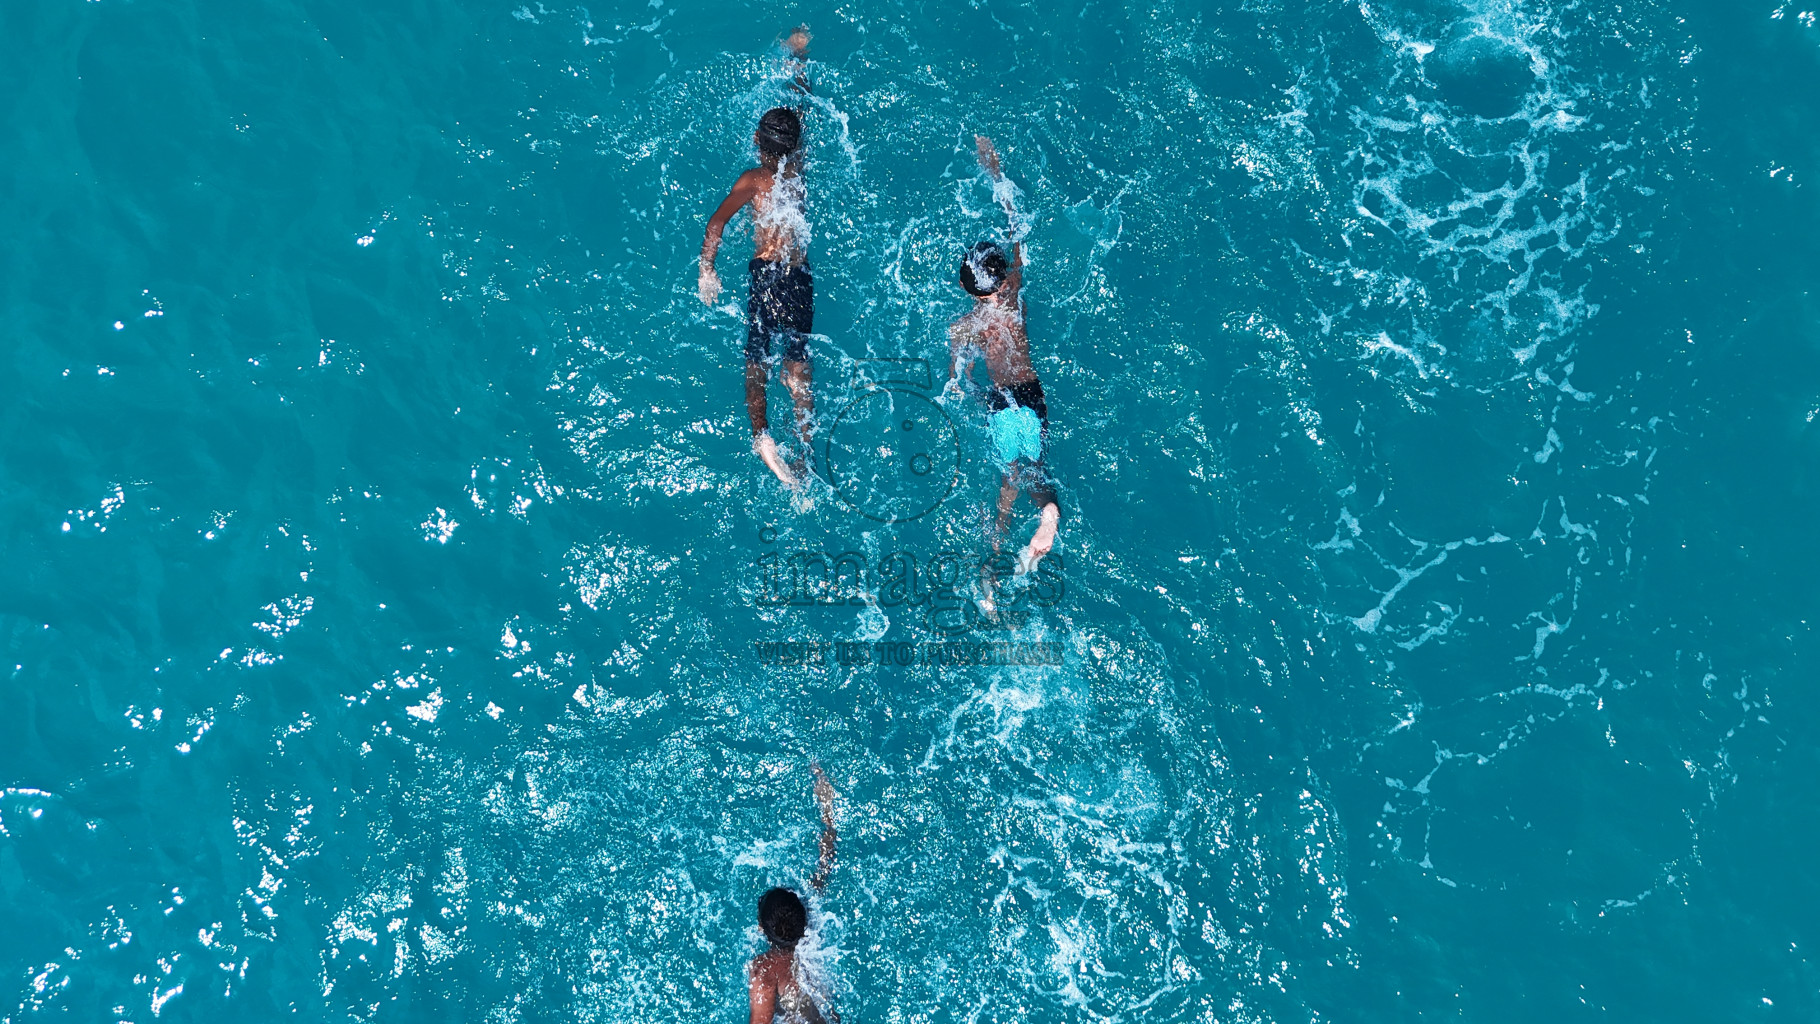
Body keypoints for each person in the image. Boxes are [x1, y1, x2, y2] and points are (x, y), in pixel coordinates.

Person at [944, 136, 1061, 607]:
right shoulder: (1013, 288)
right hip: (1030, 394)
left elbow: (960, 375)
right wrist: (996, 172)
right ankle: (1044, 512)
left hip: (1000, 403)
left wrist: (967, 390)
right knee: (1024, 470)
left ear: (972, 290)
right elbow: (1018, 229)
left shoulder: (966, 325)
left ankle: (995, 558)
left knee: (1009, 482)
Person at [699, 29, 816, 488]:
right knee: (798, 365)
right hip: (799, 278)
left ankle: (761, 434)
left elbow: (715, 225)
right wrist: (799, 65)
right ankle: (805, 454)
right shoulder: (799, 165)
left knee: (756, 358)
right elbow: (801, 111)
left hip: (767, 276)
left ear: (756, 142)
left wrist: (707, 270)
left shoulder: (753, 180)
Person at [747, 764, 838, 1024]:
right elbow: (825, 864)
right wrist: (827, 815)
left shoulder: (764, 971)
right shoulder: (812, 940)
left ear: (763, 930)